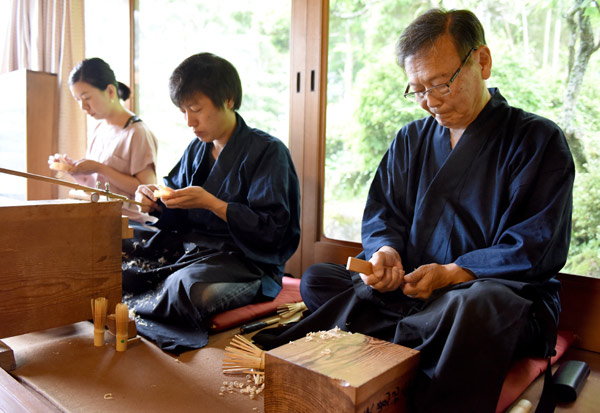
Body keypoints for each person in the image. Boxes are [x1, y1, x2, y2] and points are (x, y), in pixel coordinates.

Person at [252, 8, 574, 412]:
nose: (430, 102)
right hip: (413, 291)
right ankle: (417, 337)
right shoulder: (411, 139)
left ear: (482, 61)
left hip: (492, 295)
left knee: (479, 306)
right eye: (417, 90)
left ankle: (409, 352)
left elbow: (533, 246)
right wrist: (386, 254)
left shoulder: (537, 139)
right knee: (318, 279)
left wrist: (453, 274)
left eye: (441, 84)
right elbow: (383, 213)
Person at [124, 52, 301, 354]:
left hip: (246, 260)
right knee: (125, 253)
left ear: (228, 100)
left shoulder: (268, 152)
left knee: (190, 290)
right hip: (194, 249)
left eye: (196, 109)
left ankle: (243, 292)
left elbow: (273, 231)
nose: (190, 122)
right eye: (183, 112)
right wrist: (156, 203)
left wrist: (214, 204)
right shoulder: (197, 149)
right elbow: (177, 211)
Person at [48, 57, 158, 223]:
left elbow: (147, 191)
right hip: (101, 218)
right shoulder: (99, 129)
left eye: (87, 98)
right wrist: (73, 169)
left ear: (110, 92)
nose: (83, 107)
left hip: (131, 225)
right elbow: (96, 184)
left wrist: (99, 168)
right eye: (78, 99)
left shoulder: (136, 132)